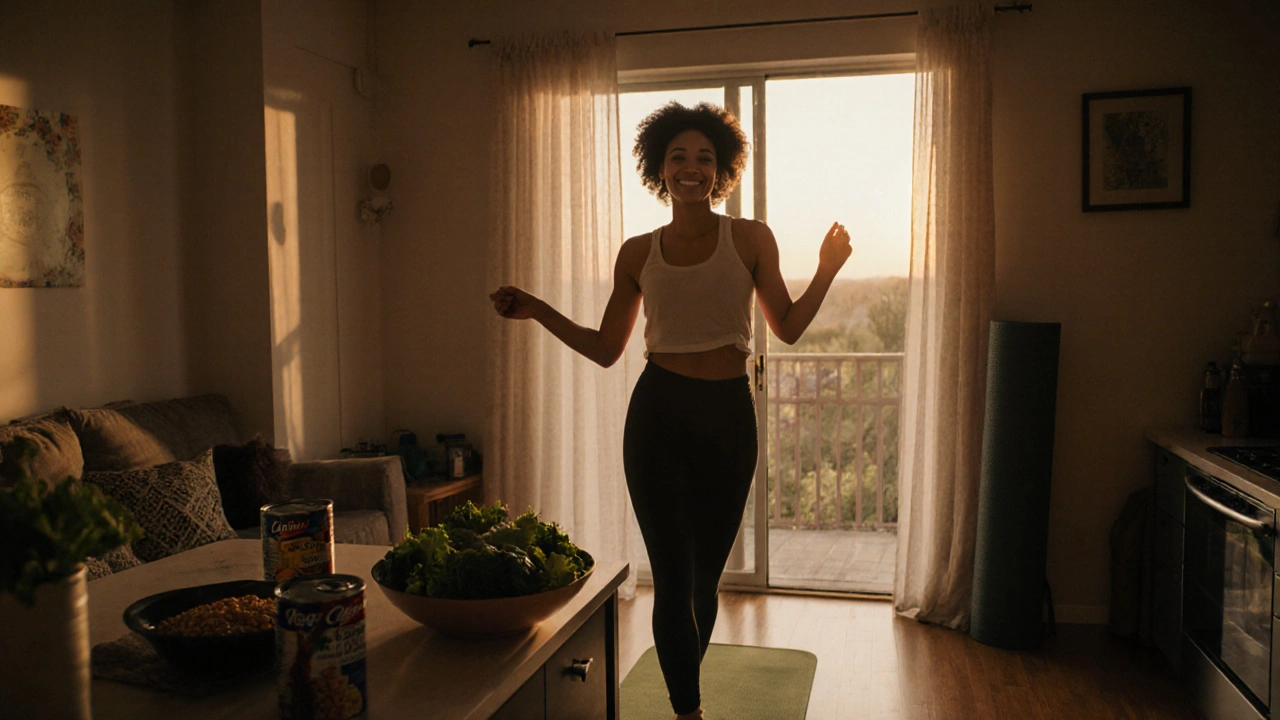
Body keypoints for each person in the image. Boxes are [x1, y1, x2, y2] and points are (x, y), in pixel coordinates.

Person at [489, 101, 851, 720]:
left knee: (703, 583)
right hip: (658, 418)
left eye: (704, 158)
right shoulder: (636, 253)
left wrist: (826, 270)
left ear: (721, 170)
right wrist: (538, 310)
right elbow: (607, 350)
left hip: (729, 419)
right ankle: (689, 711)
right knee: (672, 577)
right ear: (659, 167)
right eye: (678, 157)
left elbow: (786, 327)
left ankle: (685, 690)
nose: (691, 168)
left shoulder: (750, 238)